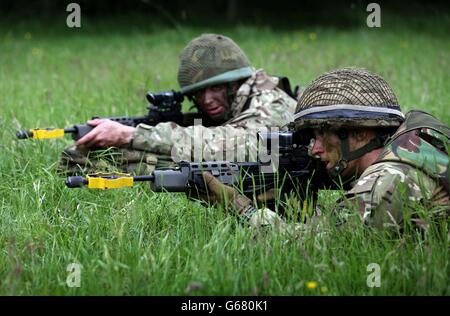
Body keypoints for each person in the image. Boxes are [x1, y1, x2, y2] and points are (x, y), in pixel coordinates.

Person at [201, 67, 449, 234]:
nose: (315, 149)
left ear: (360, 132)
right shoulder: (412, 141)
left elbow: (317, 247)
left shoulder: (387, 182)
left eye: (322, 135)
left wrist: (241, 207)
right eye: (311, 137)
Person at [59, 33, 298, 175]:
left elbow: (231, 147)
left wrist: (131, 135)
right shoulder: (242, 97)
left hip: (276, 182)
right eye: (198, 93)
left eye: (215, 88)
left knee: (174, 163)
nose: (206, 100)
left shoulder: (270, 103)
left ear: (236, 83)